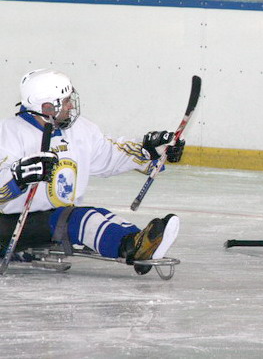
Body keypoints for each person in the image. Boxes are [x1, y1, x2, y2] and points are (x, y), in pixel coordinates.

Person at [0, 69, 185, 274]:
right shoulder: (8, 134)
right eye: (66, 100)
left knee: (98, 214)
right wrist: (17, 178)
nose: (71, 105)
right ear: (47, 107)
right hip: (9, 224)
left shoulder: (79, 130)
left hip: (52, 217)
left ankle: (138, 241)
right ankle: (129, 248)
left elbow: (109, 154)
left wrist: (150, 152)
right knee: (78, 219)